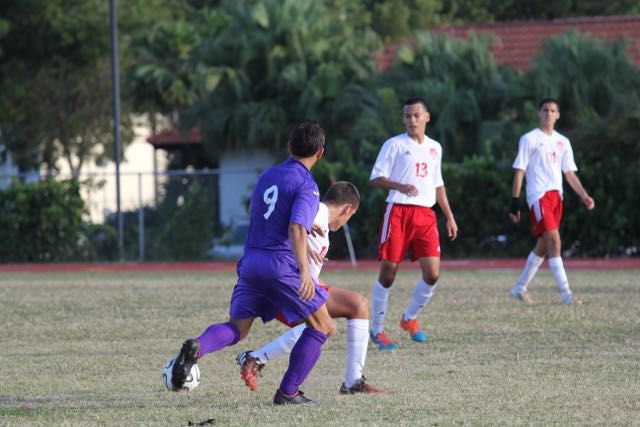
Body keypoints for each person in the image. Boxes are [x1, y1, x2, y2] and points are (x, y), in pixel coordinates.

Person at [168, 119, 335, 405]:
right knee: (322, 326)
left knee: (238, 328)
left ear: (289, 146)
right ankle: (288, 392)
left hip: (251, 261)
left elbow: (262, 212)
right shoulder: (307, 184)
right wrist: (305, 272)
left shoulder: (268, 175)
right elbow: (296, 228)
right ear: (320, 152)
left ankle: (199, 346)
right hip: (280, 265)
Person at [236, 181, 384, 395]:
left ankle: (353, 382)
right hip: (282, 288)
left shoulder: (319, 216)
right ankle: (258, 358)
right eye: (350, 216)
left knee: (358, 304)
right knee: (321, 324)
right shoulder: (317, 211)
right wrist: (302, 245)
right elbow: (285, 223)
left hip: (301, 286)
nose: (346, 221)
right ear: (347, 209)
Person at [368, 97, 458, 350]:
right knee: (388, 275)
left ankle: (409, 319)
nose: (412, 120)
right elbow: (376, 178)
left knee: (432, 273)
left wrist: (449, 216)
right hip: (397, 213)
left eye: (416, 115)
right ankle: (377, 331)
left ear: (427, 117)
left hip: (426, 216)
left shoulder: (435, 148)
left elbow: (438, 184)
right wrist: (399, 186)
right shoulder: (394, 145)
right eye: (407, 116)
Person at [509, 98, 595, 305]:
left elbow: (570, 174)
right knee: (554, 241)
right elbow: (519, 171)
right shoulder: (529, 139)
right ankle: (566, 294)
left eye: (552, 110)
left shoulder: (563, 142)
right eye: (545, 110)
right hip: (538, 196)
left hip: (557, 197)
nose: (548, 114)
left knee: (544, 246)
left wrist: (584, 195)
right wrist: (515, 201)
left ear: (558, 115)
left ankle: (519, 288)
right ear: (539, 113)